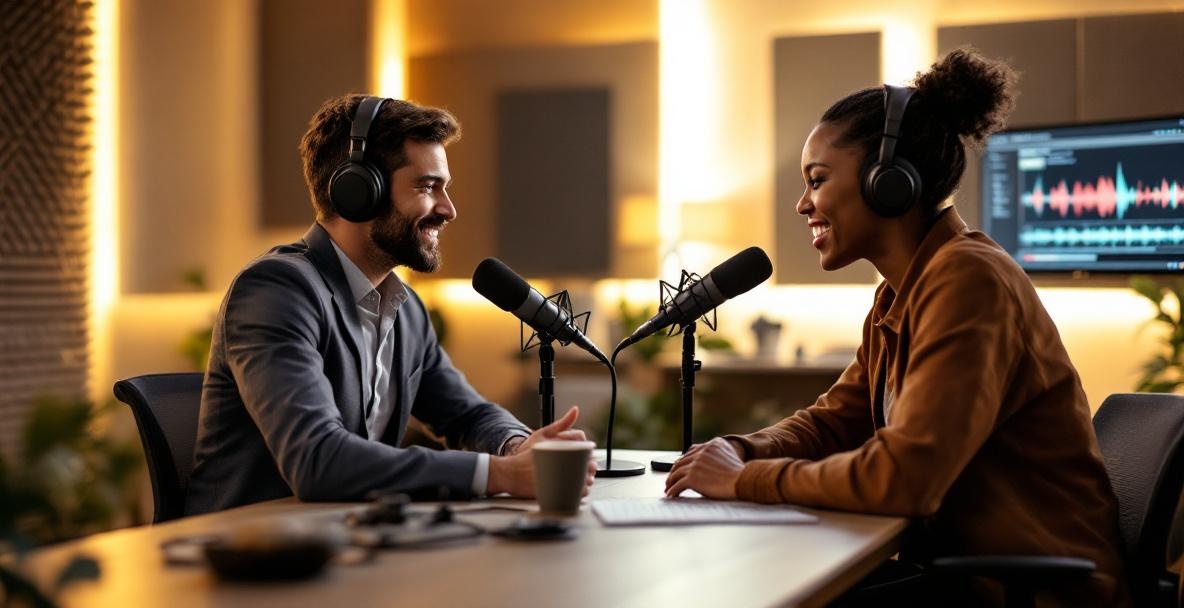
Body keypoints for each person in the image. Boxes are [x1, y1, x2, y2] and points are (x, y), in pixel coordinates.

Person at [665, 49, 1129, 606]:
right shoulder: (900, 294)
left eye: (817, 180)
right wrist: (740, 451)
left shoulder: (968, 280)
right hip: (965, 577)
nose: (801, 204)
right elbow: (835, 423)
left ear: (888, 182)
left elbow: (904, 477)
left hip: (1029, 594)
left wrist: (742, 482)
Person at [185, 94, 595, 515]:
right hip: (246, 558)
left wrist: (517, 445)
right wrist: (499, 474)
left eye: (444, 188)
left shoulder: (406, 309)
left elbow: (467, 415)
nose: (448, 210)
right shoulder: (277, 290)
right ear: (358, 190)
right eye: (426, 186)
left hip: (345, 545)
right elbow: (317, 460)